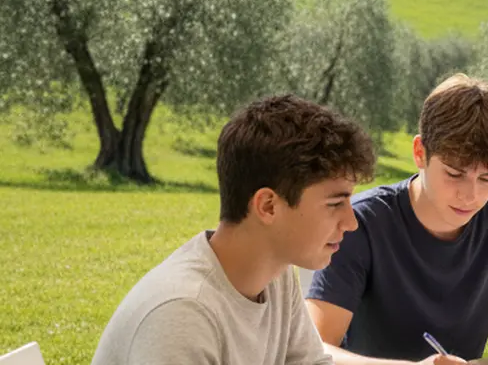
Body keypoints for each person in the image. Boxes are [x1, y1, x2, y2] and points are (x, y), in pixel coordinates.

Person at [91, 94, 377, 365]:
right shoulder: (182, 314)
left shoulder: (275, 278)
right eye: (335, 203)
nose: (351, 222)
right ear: (268, 206)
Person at [305, 74, 488, 364]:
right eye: (454, 173)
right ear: (420, 153)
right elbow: (316, 350)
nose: (470, 196)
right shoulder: (361, 222)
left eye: (487, 178)